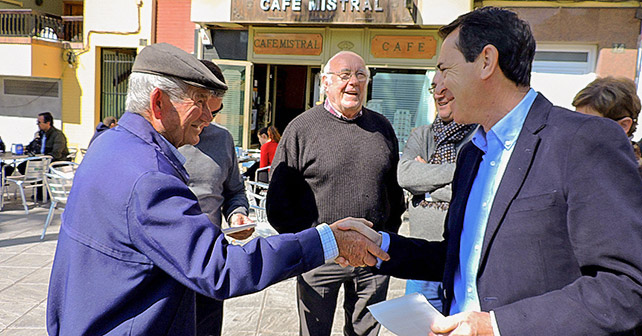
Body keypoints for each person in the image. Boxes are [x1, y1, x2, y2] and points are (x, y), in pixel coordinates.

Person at [46, 42, 389, 336]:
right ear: (158, 101)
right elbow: (221, 269)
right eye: (199, 101)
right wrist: (326, 239)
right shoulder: (149, 176)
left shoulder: (109, 145)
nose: (209, 117)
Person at [345, 7, 642, 335]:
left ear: (486, 61)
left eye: (444, 69)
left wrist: (495, 325)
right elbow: (460, 258)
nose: (438, 85)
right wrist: (381, 245)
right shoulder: (473, 153)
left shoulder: (583, 140)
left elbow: (626, 288)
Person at [266, 51, 406, 336]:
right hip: (320, 258)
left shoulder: (382, 128)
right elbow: (279, 202)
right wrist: (308, 244)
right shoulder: (301, 129)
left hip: (372, 254)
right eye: (344, 76)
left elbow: (394, 190)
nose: (353, 82)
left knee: (366, 332)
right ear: (325, 83)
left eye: (360, 76)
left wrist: (388, 236)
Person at [178, 59, 254, 336]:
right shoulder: (159, 140)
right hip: (166, 261)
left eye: (216, 111)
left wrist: (237, 214)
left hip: (210, 258)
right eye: (203, 109)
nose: (208, 120)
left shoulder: (222, 139)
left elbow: (234, 191)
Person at [397, 81, 476, 313]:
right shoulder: (421, 135)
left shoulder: (478, 136)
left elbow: (475, 190)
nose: (439, 94)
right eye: (434, 89)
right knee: (416, 327)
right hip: (421, 258)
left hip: (462, 262)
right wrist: (460, 171)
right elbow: (405, 176)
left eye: (447, 88)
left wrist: (426, 183)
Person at [572, 76, 642, 176]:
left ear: (624, 126)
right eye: (575, 121)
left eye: (590, 125)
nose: (578, 130)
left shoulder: (629, 174)